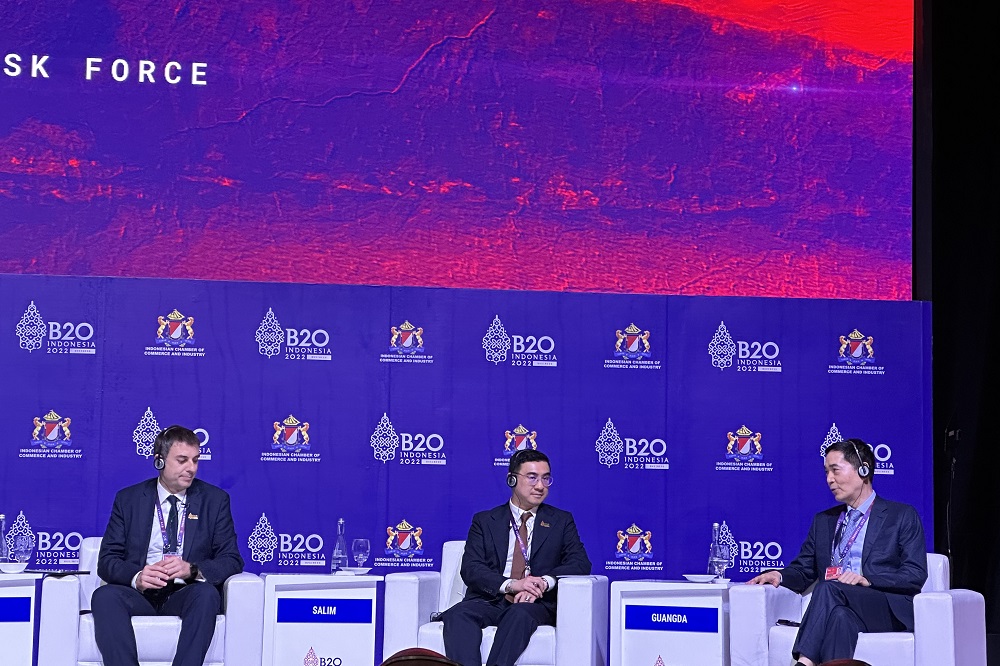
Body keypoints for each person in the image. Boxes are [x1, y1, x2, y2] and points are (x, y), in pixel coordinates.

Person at [747, 438, 928, 666]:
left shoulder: (900, 515)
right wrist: (779, 576)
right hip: (840, 604)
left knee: (828, 587)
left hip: (884, 605)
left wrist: (867, 579)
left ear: (863, 470)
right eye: (826, 472)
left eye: (835, 470)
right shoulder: (824, 521)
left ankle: (803, 662)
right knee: (840, 618)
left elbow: (915, 574)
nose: (829, 479)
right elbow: (804, 570)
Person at [92, 425, 244, 666]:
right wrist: (138, 577)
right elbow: (108, 560)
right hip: (140, 594)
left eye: (195, 460)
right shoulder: (128, 499)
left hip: (185, 593)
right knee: (104, 596)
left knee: (206, 595)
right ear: (159, 461)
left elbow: (232, 559)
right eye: (182, 460)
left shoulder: (214, 501)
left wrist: (192, 570)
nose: (191, 468)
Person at [442, 449, 592, 666]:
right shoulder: (485, 521)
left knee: (519, 614)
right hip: (491, 599)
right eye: (532, 477)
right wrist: (512, 584)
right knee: (458, 614)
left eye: (546, 478)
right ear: (512, 479)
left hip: (534, 604)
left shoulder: (561, 521)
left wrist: (543, 582)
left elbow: (580, 563)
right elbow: (471, 568)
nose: (540, 486)